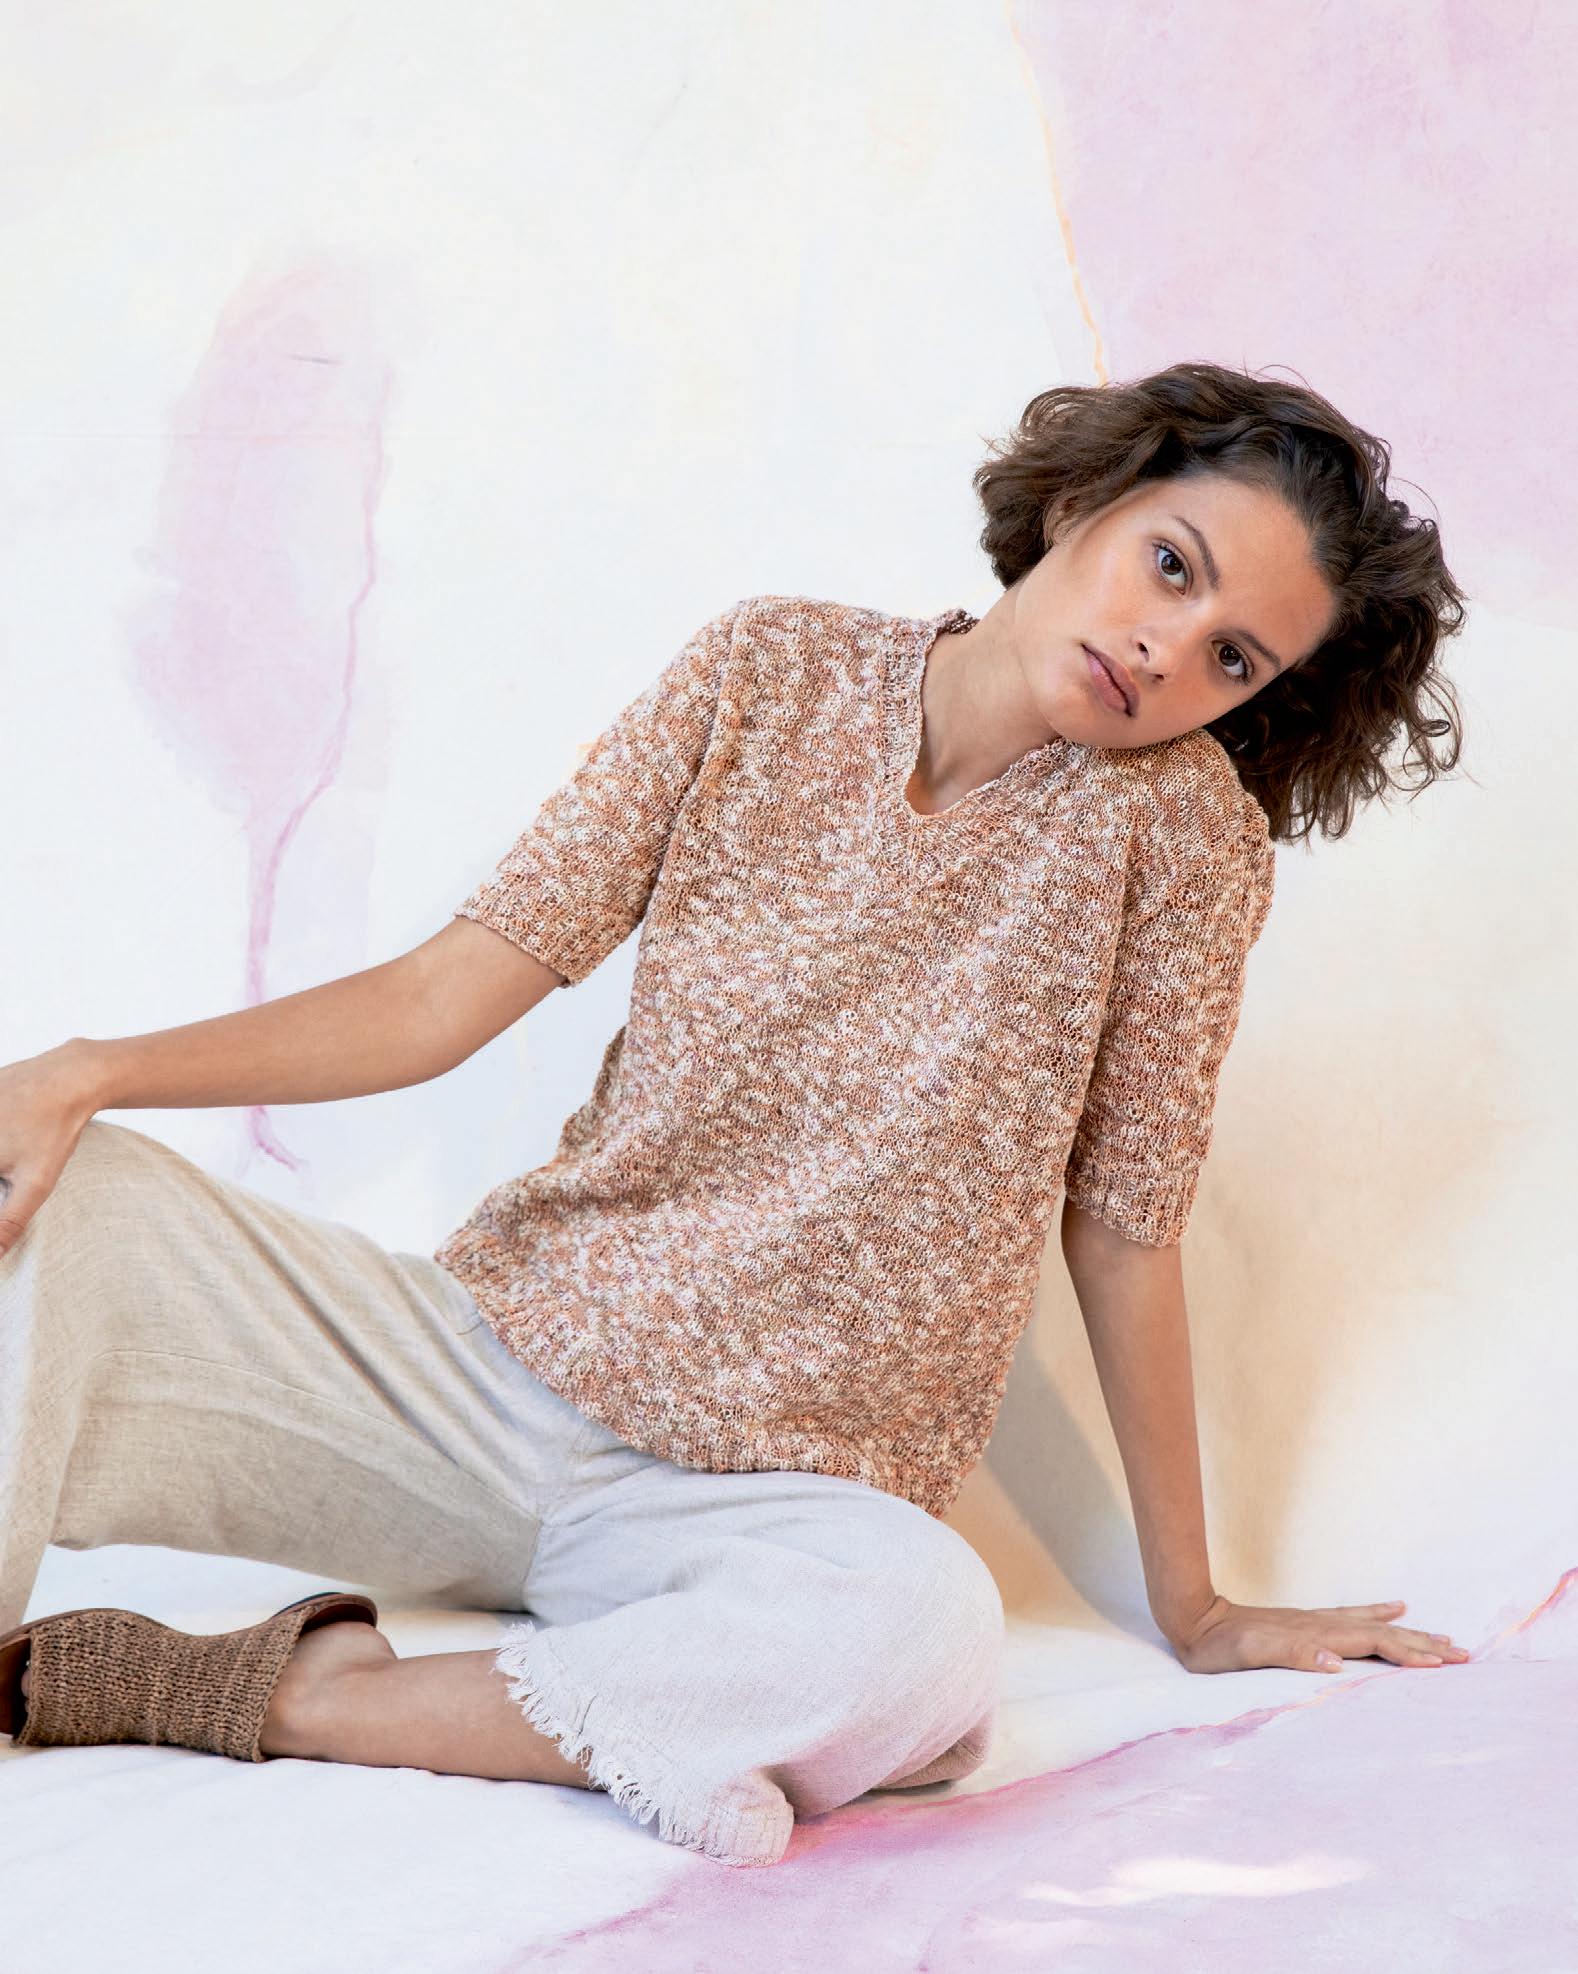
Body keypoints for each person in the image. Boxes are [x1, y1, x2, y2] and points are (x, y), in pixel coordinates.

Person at [0, 360, 1474, 1870]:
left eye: (1232, 657)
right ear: (1083, 502)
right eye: (1170, 564)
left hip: (769, 1507)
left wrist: (1195, 1604)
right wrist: (85, 1069)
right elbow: (442, 996)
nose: (1168, 648)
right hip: (475, 1377)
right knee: (57, 1199)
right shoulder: (768, 672)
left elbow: (1125, 1228)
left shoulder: (1187, 844)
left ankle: (283, 1692)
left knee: (925, 1637)